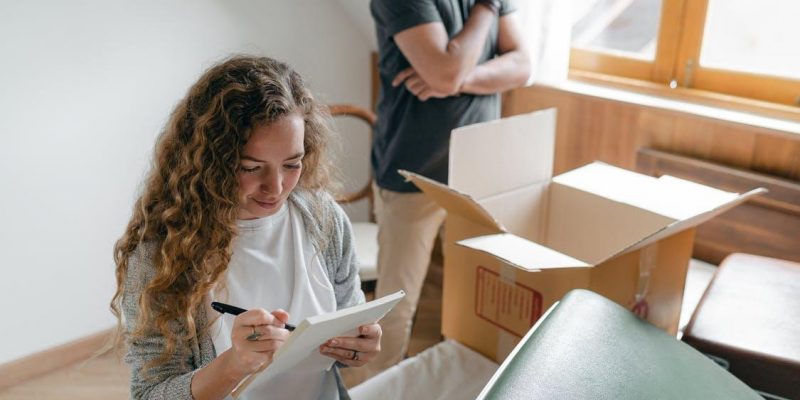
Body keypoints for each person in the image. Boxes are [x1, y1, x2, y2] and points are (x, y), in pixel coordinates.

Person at [110, 55, 380, 400]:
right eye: (251, 167)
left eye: (292, 164)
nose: (276, 186)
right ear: (212, 162)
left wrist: (358, 346)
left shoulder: (324, 219)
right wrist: (234, 365)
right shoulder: (161, 254)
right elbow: (150, 393)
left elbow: (344, 335)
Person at [351, 0, 531, 383]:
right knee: (395, 311)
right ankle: (370, 390)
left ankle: (421, 387)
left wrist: (459, 78)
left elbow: (523, 65)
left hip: (475, 178)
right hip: (412, 173)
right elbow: (445, 72)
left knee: (453, 305)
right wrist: (486, 7)